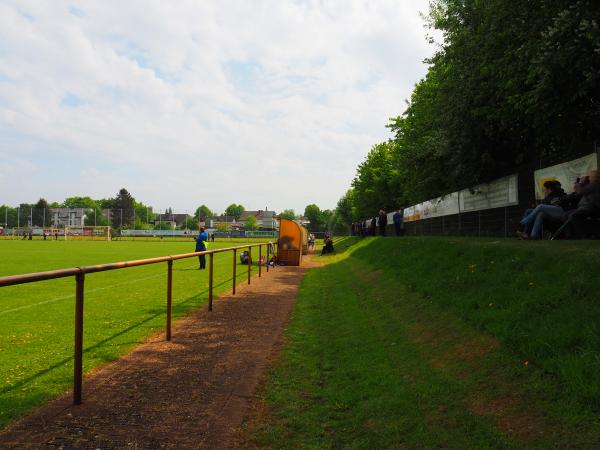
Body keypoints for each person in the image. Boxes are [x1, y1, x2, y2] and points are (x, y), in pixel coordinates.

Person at [567, 170, 600, 238]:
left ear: (594, 177)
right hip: (591, 207)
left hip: (595, 208)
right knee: (567, 215)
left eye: (590, 176)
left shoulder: (596, 184)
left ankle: (583, 236)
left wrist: (581, 183)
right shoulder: (592, 185)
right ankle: (570, 235)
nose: (589, 178)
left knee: (575, 216)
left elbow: (581, 191)